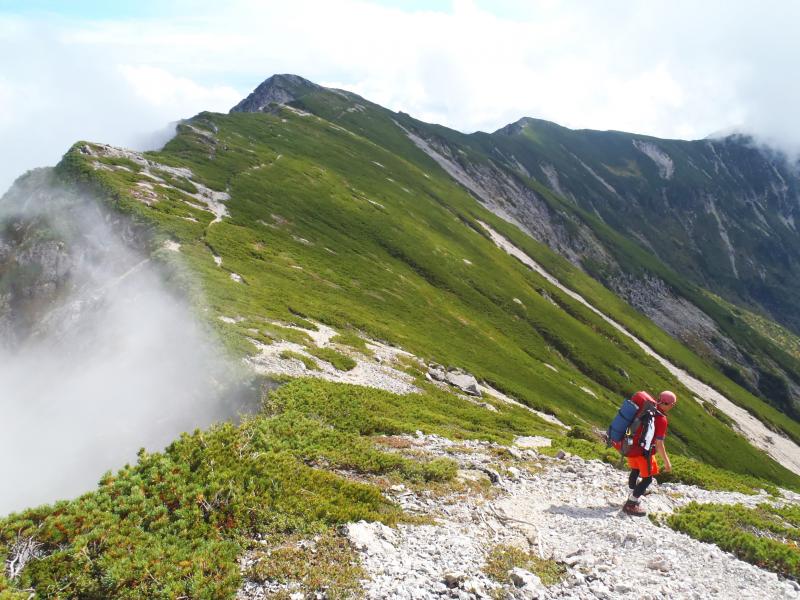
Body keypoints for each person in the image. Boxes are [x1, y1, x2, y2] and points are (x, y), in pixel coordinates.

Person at [622, 390, 677, 516]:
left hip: (631, 446)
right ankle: (631, 503)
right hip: (644, 453)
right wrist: (667, 462)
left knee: (635, 471)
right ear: (669, 404)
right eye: (672, 405)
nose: (672, 407)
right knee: (647, 479)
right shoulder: (661, 419)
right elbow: (659, 443)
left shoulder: (646, 409)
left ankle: (631, 494)